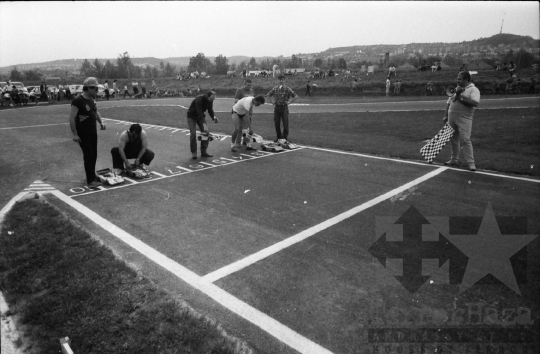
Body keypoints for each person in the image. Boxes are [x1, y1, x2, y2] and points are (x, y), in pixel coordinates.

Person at [69, 77, 106, 188]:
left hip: (92, 132)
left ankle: (92, 174)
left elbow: (95, 112)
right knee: (89, 155)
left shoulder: (92, 99)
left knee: (94, 155)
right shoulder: (77, 101)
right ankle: (90, 181)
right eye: (95, 89)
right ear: (89, 88)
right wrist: (75, 134)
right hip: (83, 133)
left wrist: (101, 122)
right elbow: (72, 118)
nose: (97, 91)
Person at [443, 71, 480, 172]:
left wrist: (460, 97)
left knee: (465, 139)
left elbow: (474, 103)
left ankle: (471, 164)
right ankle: (454, 159)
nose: (457, 80)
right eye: (457, 78)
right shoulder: (455, 89)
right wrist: (445, 115)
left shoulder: (473, 89)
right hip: (452, 117)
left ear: (466, 80)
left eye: (460, 79)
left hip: (464, 118)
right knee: (453, 139)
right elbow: (449, 103)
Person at [186, 90, 219, 159]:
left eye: (212, 100)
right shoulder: (199, 99)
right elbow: (199, 112)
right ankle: (194, 152)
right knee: (193, 134)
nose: (211, 101)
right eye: (210, 99)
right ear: (207, 96)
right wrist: (203, 122)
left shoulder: (210, 100)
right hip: (191, 116)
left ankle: (203, 151)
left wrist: (214, 117)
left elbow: (210, 110)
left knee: (206, 132)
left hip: (200, 117)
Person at [267, 74, 298, 142]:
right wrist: (272, 102)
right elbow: (268, 95)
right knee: (277, 123)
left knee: (285, 123)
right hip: (277, 107)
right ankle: (278, 137)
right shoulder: (275, 89)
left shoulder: (287, 89)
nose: (281, 81)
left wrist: (289, 102)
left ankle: (284, 138)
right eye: (280, 80)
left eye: (282, 80)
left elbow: (295, 96)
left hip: (284, 107)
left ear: (284, 80)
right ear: (278, 80)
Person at [234, 78, 255, 145]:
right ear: (244, 84)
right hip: (241, 112)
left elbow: (252, 102)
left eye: (250, 85)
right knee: (240, 127)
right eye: (247, 85)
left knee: (247, 127)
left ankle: (246, 141)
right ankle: (238, 142)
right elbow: (236, 100)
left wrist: (251, 111)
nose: (249, 86)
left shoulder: (252, 91)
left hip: (249, 111)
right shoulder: (240, 90)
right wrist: (244, 102)